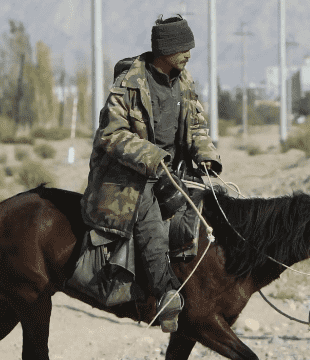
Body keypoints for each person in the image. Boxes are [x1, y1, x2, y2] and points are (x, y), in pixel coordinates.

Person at [81, 14, 222, 333]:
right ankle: (163, 294)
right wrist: (153, 157)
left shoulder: (184, 82)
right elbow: (111, 135)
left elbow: (197, 125)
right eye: (183, 49)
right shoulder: (128, 84)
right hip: (123, 177)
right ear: (165, 50)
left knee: (206, 204)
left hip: (170, 173)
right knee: (145, 207)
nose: (189, 55)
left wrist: (206, 155)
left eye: (191, 49)